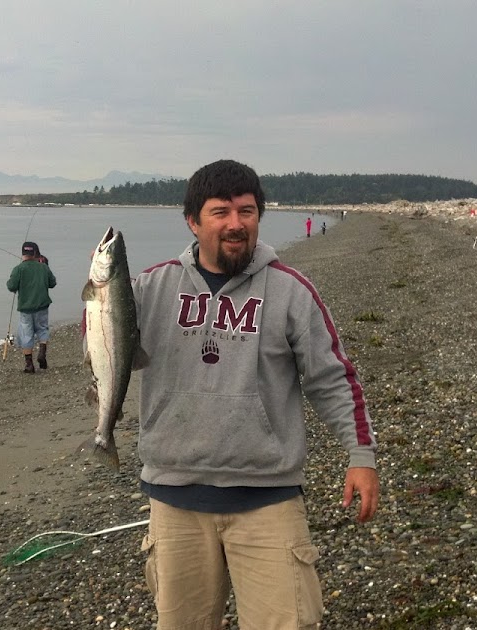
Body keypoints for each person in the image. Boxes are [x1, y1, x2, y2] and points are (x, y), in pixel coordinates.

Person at [132, 159, 379, 629]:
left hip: (267, 498)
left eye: (246, 212)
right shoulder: (150, 287)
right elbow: (104, 348)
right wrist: (96, 303)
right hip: (174, 496)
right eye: (220, 212)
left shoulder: (290, 291)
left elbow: (332, 378)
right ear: (192, 220)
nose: (235, 224)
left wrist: (360, 454)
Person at [6, 241, 56, 373]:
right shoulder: (43, 267)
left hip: (26, 308)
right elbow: (52, 283)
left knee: (26, 334)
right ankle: (42, 352)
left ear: (23, 254)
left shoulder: (18, 269)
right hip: (42, 305)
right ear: (35, 253)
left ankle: (29, 364)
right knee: (42, 329)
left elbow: (11, 286)